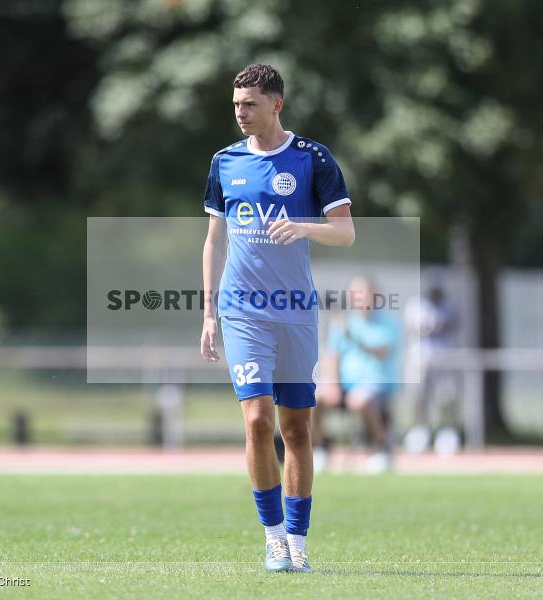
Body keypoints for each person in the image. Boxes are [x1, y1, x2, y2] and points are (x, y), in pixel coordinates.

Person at [199, 64, 355, 574]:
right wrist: (208, 314)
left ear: (276, 105)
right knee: (257, 421)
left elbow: (345, 232)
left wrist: (305, 226)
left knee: (296, 428)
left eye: (250, 105)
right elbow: (214, 240)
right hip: (242, 311)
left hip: (295, 312)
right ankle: (271, 538)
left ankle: (299, 541)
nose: (240, 113)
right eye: (236, 105)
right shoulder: (225, 162)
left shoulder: (312, 159)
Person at [312, 276, 401, 473]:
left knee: (360, 399)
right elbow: (332, 356)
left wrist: (352, 335)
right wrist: (333, 384)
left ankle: (381, 449)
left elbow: (381, 352)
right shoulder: (343, 322)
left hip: (376, 384)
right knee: (315, 398)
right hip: (345, 385)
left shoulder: (388, 322)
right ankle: (320, 448)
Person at [404, 280, 460, 453]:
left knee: (446, 396)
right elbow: (415, 328)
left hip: (444, 358)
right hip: (419, 359)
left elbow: (454, 326)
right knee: (418, 397)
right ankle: (420, 431)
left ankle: (447, 432)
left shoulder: (449, 306)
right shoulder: (416, 305)